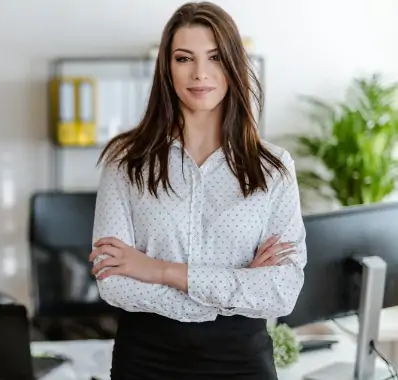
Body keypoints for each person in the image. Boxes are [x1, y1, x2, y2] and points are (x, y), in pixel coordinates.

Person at [88, 2, 307, 379]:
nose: (200, 73)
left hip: (242, 363)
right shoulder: (126, 161)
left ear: (234, 64)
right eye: (184, 58)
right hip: (146, 360)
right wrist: (233, 290)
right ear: (167, 68)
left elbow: (280, 291)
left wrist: (158, 269)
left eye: (215, 57)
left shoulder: (273, 167)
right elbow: (115, 284)